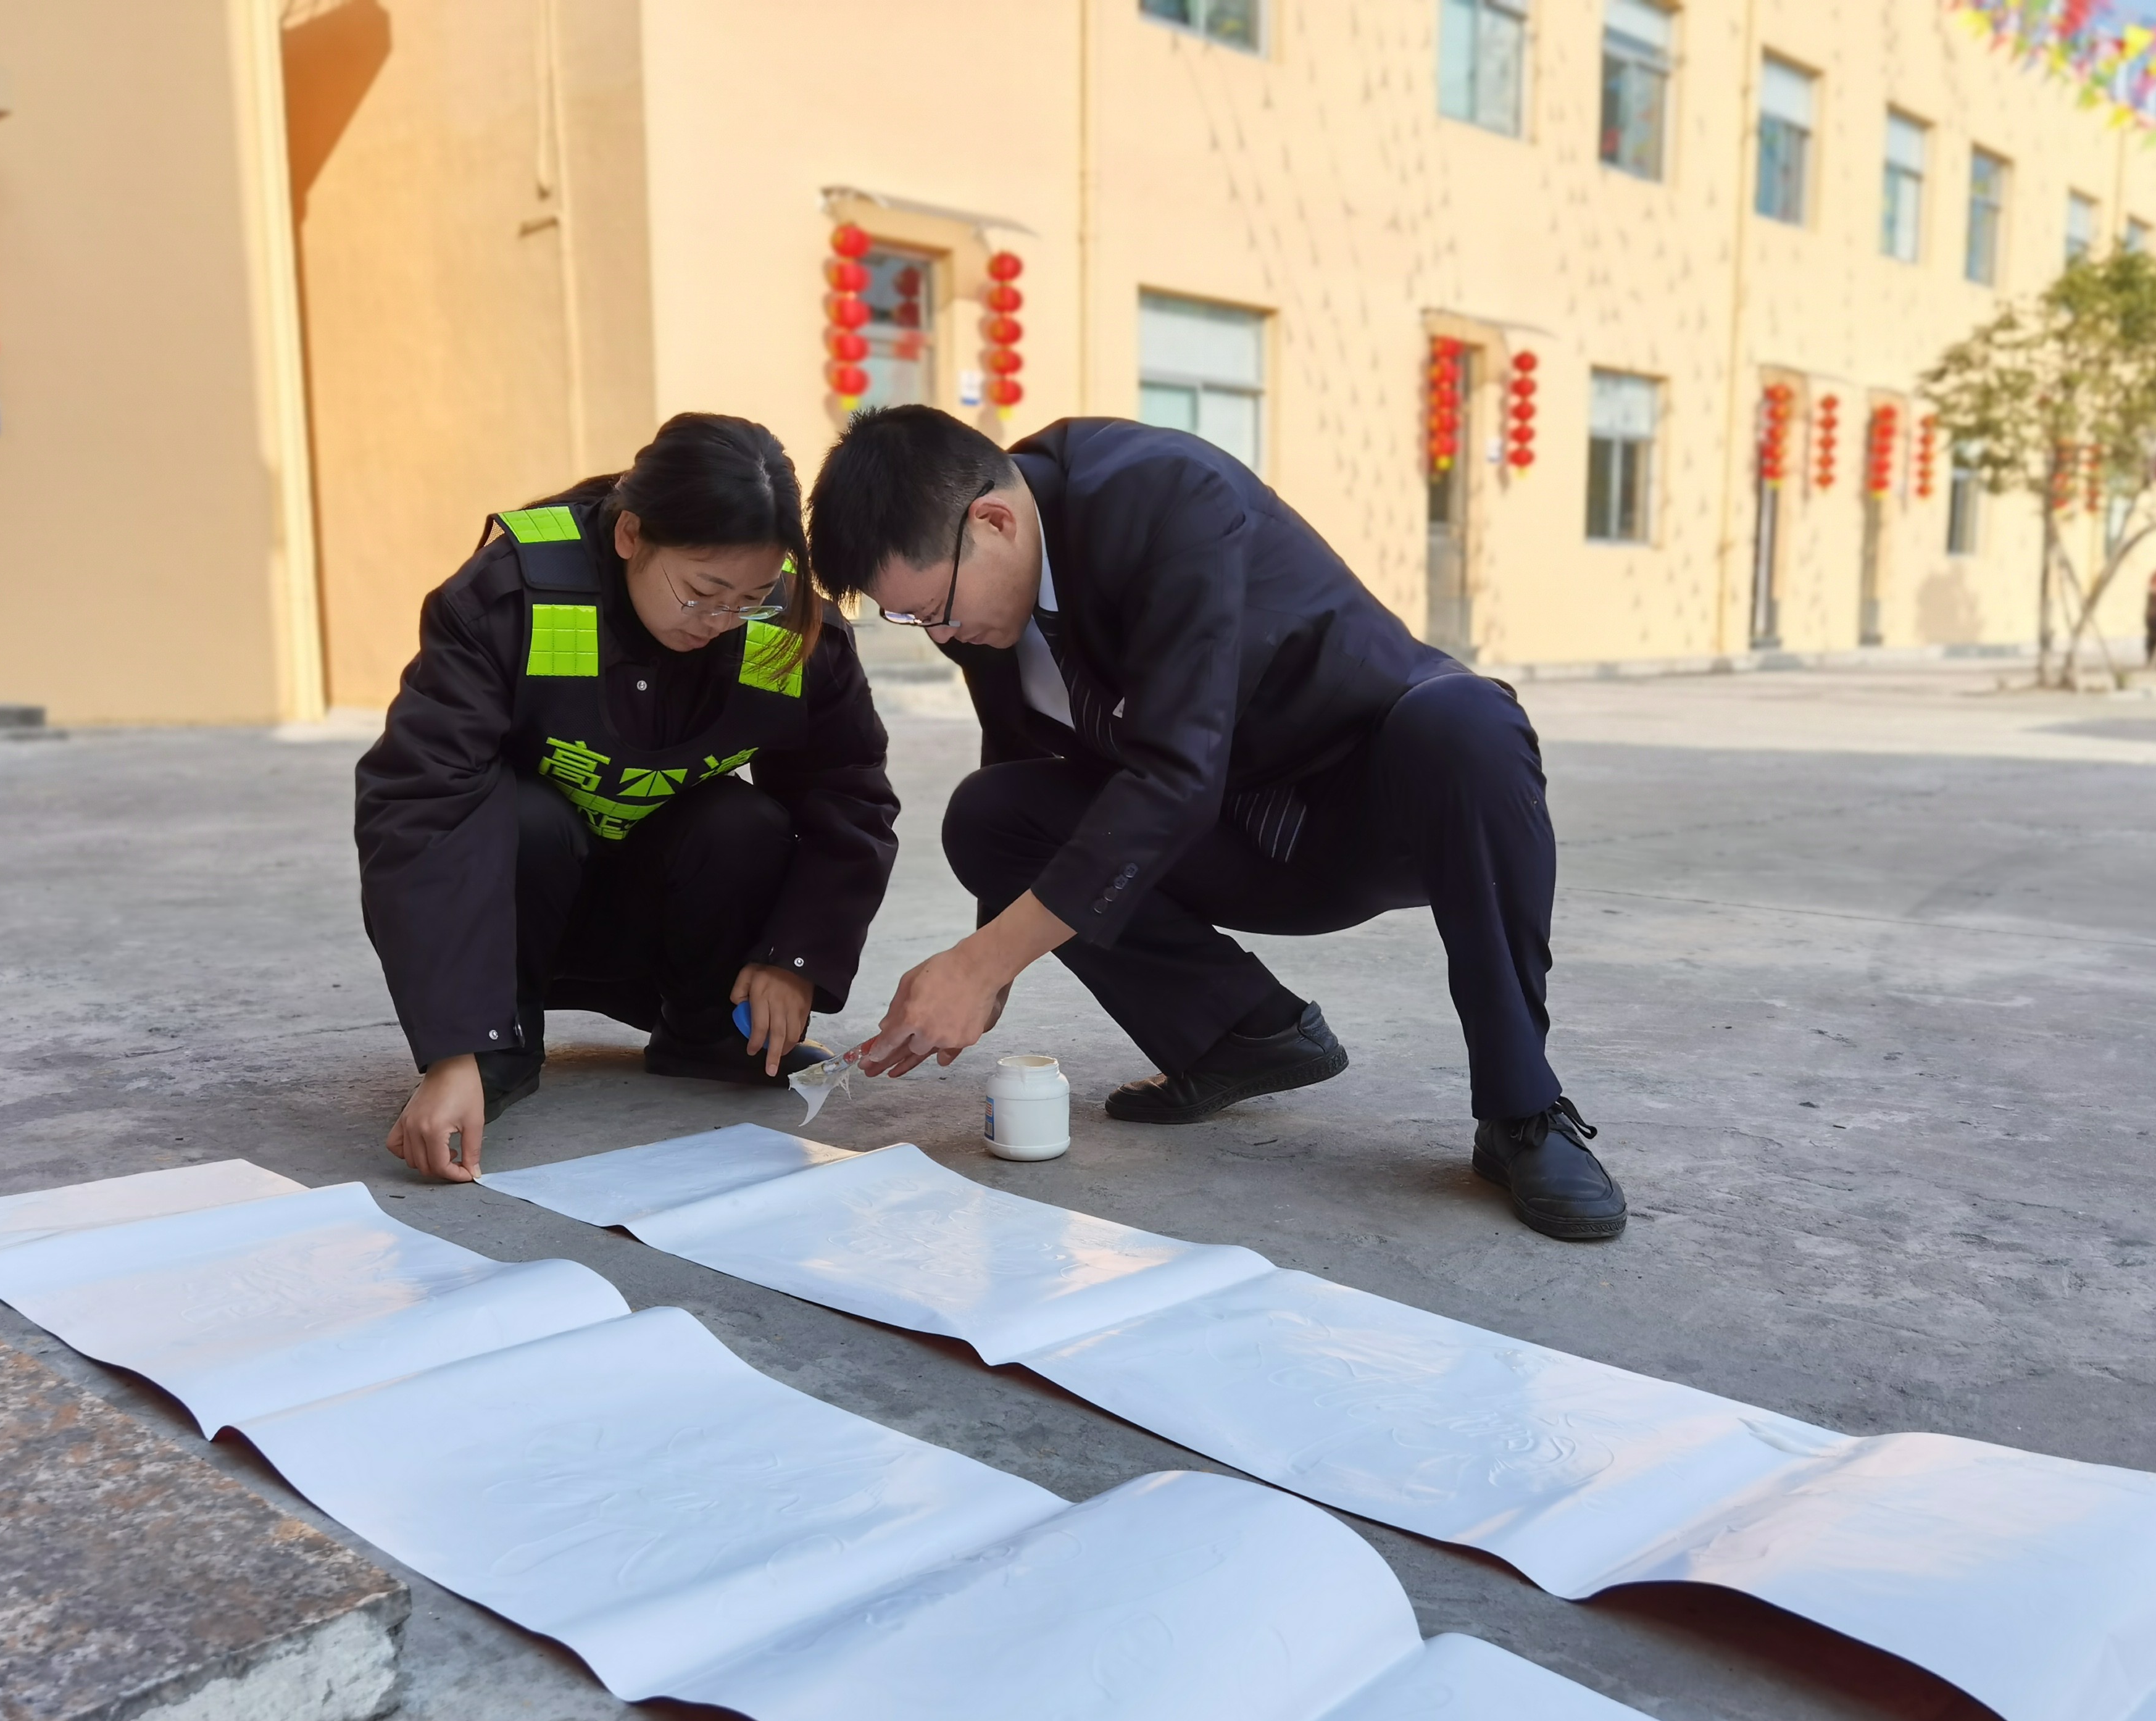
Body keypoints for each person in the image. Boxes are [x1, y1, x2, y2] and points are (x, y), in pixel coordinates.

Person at [806, 406, 1623, 1241]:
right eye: (913, 621)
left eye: (936, 609)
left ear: (994, 521)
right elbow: (1025, 759)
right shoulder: (980, 605)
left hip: (1360, 811)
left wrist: (980, 963)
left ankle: (1523, 1111)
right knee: (990, 814)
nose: (942, 634)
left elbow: (1174, 774)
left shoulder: (1160, 495)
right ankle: (1238, 1035)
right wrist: (993, 971)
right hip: (1222, 839)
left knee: (1466, 724)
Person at [359, 413, 899, 1183]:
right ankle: (495, 1050)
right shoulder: (516, 597)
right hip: (515, 917)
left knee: (741, 821)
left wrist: (793, 960)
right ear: (630, 536)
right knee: (525, 816)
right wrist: (452, 1045)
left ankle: (710, 1032)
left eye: (747, 597)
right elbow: (422, 805)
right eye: (702, 591)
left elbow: (847, 797)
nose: (721, 621)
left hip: (661, 916)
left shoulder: (778, 628)